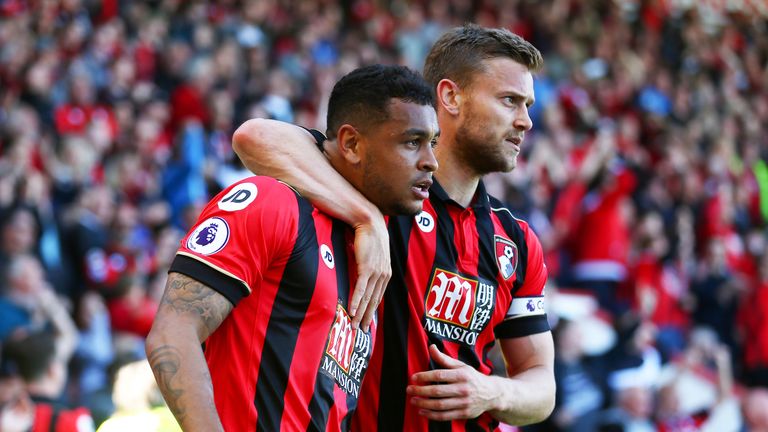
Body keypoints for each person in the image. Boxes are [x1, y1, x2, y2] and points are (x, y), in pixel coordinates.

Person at [233, 23, 555, 430]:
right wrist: (367, 217)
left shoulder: (517, 241)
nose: (526, 121)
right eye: (510, 101)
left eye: (528, 105)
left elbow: (542, 385)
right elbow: (255, 136)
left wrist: (491, 392)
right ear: (450, 97)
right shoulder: (379, 191)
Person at [145, 64, 439, 431]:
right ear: (350, 144)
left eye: (433, 143)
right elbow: (173, 334)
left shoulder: (372, 248)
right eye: (412, 142)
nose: (431, 161)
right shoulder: (272, 203)